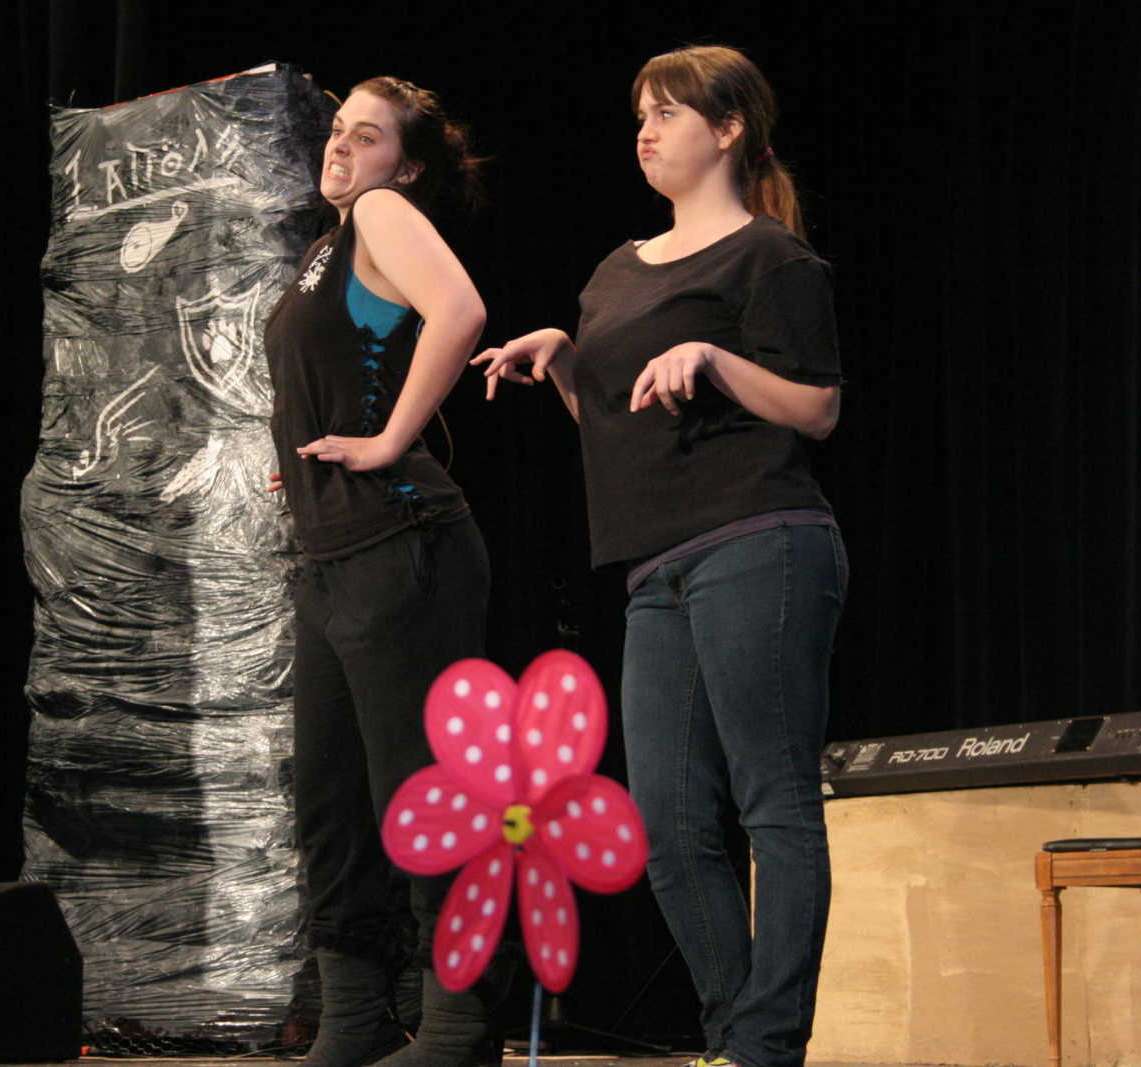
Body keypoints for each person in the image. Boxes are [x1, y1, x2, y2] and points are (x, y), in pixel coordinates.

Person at [473, 45, 847, 1067]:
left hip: (759, 542)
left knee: (771, 800)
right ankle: (734, 1034)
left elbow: (817, 407)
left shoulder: (769, 257)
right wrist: (565, 360)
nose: (645, 132)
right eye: (639, 114)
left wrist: (715, 357)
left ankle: (765, 1043)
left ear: (727, 129)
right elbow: (619, 429)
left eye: (667, 113)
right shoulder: (615, 269)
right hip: (654, 568)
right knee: (667, 822)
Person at [263, 77, 496, 1067]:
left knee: (420, 791)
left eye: (367, 136)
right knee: (332, 804)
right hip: (330, 560)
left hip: (402, 543)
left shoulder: (382, 214)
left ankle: (459, 1025)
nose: (341, 147)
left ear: (404, 166)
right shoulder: (327, 247)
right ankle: (355, 1018)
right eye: (336, 130)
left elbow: (461, 310)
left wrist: (388, 437)